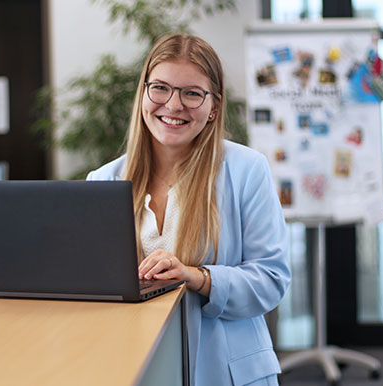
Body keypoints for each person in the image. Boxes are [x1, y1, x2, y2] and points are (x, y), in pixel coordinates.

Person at [87, 34, 291, 386]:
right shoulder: (104, 180)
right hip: (135, 366)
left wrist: (197, 276)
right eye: (161, 88)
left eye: (192, 93)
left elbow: (271, 280)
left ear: (213, 106)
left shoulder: (246, 170)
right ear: (143, 95)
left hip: (226, 372)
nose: (173, 104)